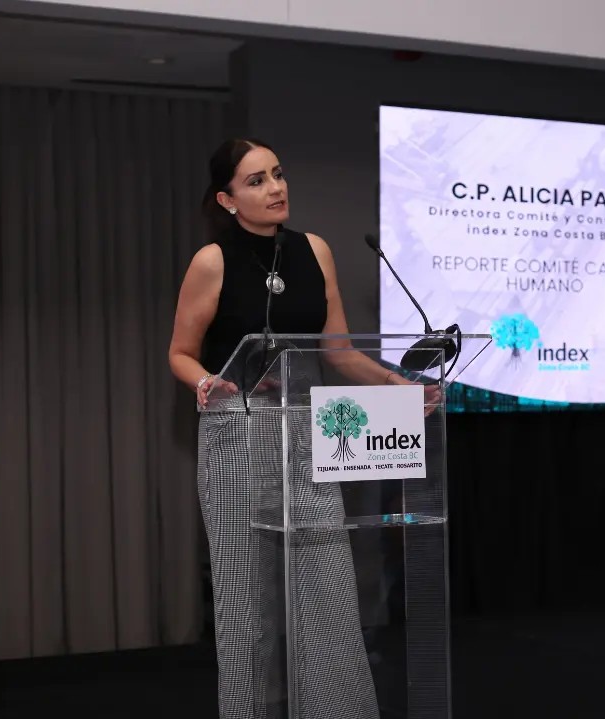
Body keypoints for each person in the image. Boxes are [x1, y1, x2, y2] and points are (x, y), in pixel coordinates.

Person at [168, 138, 437, 719]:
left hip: (307, 437)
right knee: (246, 603)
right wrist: (206, 382)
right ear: (227, 199)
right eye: (257, 181)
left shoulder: (315, 251)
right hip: (237, 439)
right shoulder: (212, 261)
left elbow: (338, 352)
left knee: (327, 592)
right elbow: (181, 353)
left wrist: (398, 386)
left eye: (278, 174)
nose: (276, 188)